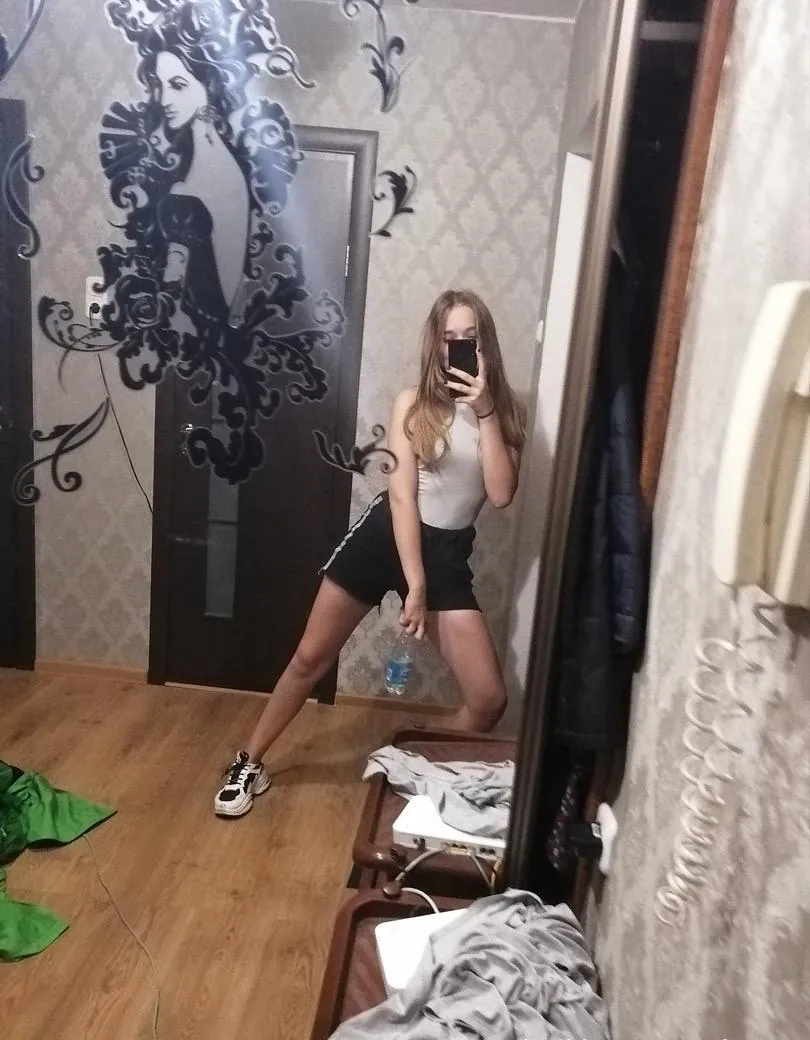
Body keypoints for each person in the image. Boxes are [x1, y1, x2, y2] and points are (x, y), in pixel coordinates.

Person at [214, 289, 527, 817]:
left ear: (485, 343)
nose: (459, 348)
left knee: (488, 699)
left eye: (469, 338)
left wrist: (487, 412)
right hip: (387, 535)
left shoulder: (506, 413)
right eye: (449, 338)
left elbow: (500, 494)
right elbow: (402, 496)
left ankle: (410, 759)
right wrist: (414, 584)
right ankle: (249, 761)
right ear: (435, 344)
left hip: (447, 552)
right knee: (310, 657)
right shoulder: (414, 403)